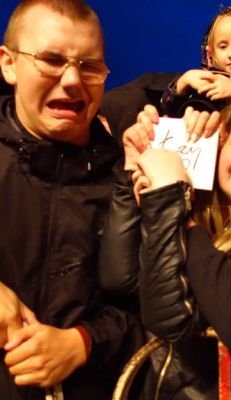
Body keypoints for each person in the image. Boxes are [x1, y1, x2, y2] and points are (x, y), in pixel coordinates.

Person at [99, 93, 231, 399]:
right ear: (219, 147)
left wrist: (169, 203)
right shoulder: (196, 208)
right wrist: (131, 169)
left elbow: (171, 321)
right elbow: (118, 280)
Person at [0, 1, 144, 398]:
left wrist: (82, 343)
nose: (72, 80)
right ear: (9, 64)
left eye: (90, 66)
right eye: (51, 60)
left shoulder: (127, 180)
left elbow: (150, 313)